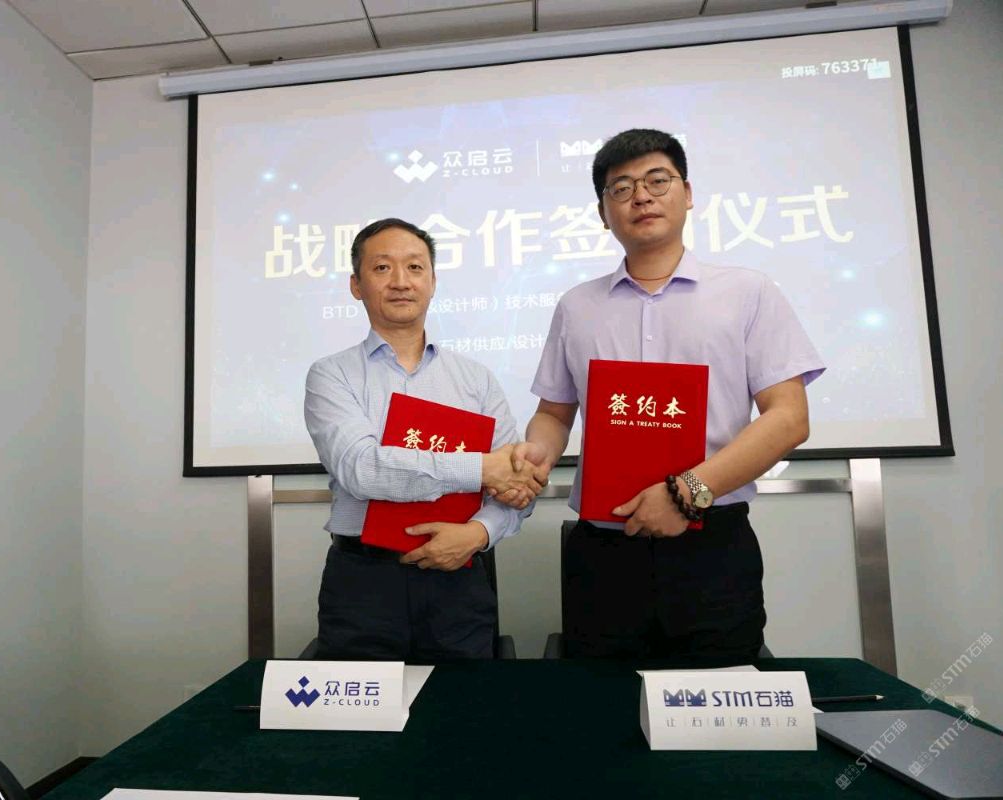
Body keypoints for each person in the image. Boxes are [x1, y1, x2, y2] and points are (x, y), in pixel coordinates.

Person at [507, 129, 825, 661]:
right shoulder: (577, 306)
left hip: (711, 544)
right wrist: (536, 453)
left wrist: (688, 492)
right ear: (603, 213)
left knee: (717, 701)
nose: (641, 197)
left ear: (688, 193)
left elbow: (789, 418)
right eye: (621, 188)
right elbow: (554, 413)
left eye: (658, 181)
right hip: (604, 549)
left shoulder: (748, 292)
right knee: (602, 702)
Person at [304, 218, 542, 660]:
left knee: (462, 704)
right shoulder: (331, 375)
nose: (401, 281)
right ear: (356, 285)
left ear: (432, 282)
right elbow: (362, 470)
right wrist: (481, 468)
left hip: (460, 580)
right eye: (382, 268)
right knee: (362, 706)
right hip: (363, 583)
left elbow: (516, 486)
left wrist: (479, 533)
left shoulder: (475, 380)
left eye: (415, 267)